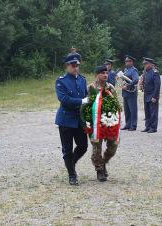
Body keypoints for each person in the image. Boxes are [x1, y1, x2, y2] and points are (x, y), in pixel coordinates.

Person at [55, 53, 88, 186]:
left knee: (83, 146)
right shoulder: (61, 81)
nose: (76, 68)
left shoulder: (82, 79)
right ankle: (72, 175)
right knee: (67, 149)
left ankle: (71, 164)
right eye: (73, 66)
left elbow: (86, 96)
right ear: (67, 66)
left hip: (79, 119)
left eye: (77, 66)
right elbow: (64, 99)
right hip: (66, 119)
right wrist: (82, 101)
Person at [88, 65, 119, 182]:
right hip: (95, 123)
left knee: (113, 147)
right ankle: (99, 170)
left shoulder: (111, 88)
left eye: (106, 73)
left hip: (109, 122)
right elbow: (86, 105)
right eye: (102, 73)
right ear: (97, 75)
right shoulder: (90, 88)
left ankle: (103, 162)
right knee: (97, 148)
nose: (105, 75)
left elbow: (116, 104)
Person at [141, 58, 161, 133]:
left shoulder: (155, 72)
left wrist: (155, 96)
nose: (145, 65)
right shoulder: (145, 72)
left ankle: (153, 127)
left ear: (151, 64)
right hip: (146, 95)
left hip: (152, 95)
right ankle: (148, 126)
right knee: (147, 112)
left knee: (153, 112)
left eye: (146, 64)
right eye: (144, 64)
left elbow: (157, 85)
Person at [121, 55, 139, 131]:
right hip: (125, 92)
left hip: (131, 92)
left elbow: (136, 80)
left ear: (132, 62)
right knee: (126, 110)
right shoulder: (125, 70)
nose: (126, 63)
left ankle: (133, 125)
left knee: (133, 109)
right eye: (125, 61)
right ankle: (128, 124)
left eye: (128, 61)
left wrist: (128, 85)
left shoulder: (133, 70)